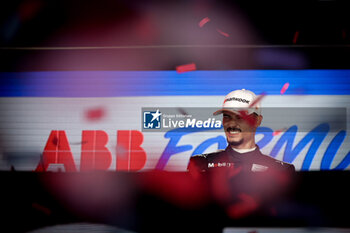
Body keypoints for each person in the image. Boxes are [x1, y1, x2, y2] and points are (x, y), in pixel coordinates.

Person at [188, 89, 295, 173]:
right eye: (227, 116)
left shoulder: (281, 170)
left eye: (240, 117)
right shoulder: (200, 164)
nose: (231, 124)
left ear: (257, 121)